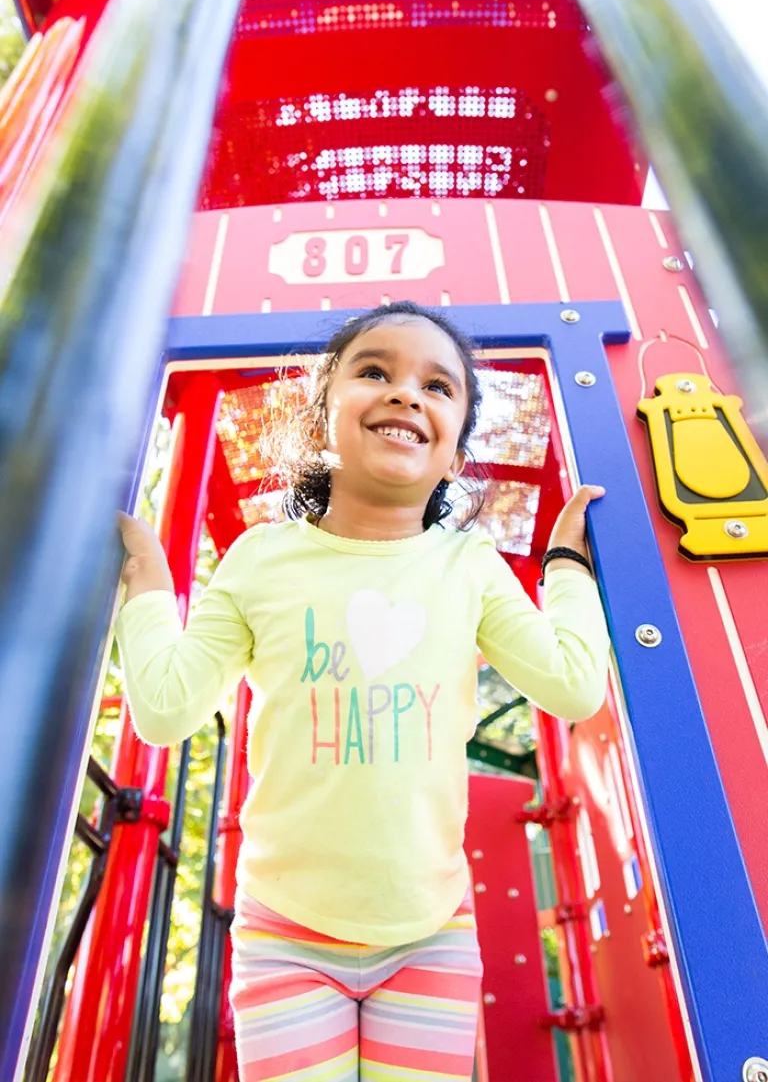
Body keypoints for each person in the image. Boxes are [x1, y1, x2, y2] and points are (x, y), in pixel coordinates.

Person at [116, 300, 610, 1082]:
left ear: (453, 454)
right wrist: (147, 585)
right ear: (318, 426)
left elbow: (576, 687)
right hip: (286, 930)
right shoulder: (261, 560)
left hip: (428, 932)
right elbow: (166, 705)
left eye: (438, 386)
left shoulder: (468, 566)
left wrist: (567, 568)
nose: (407, 393)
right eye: (374, 371)